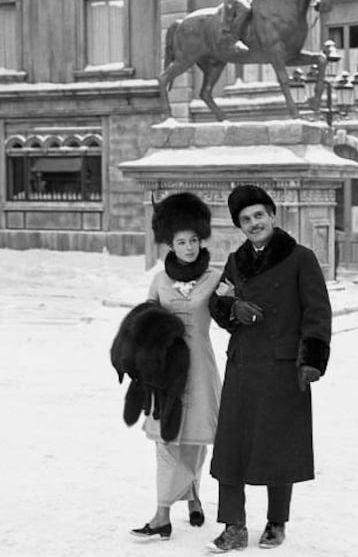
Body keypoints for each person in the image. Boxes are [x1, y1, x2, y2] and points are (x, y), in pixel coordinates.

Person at [206, 184, 332, 552]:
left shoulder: (300, 258)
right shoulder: (235, 261)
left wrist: (312, 359)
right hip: (243, 364)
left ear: (272, 216)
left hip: (283, 367)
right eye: (246, 220)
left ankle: (276, 522)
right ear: (239, 226)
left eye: (259, 215)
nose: (254, 223)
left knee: (278, 446)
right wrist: (233, 310)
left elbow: (317, 312)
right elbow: (219, 303)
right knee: (230, 447)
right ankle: (233, 526)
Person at [130, 192, 222, 540]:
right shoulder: (160, 280)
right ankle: (161, 515)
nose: (189, 247)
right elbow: (144, 322)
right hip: (166, 373)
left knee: (194, 441)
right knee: (165, 441)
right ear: (171, 244)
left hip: (200, 369)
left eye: (194, 240)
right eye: (181, 242)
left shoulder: (215, 279)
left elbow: (229, 316)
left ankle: (195, 496)